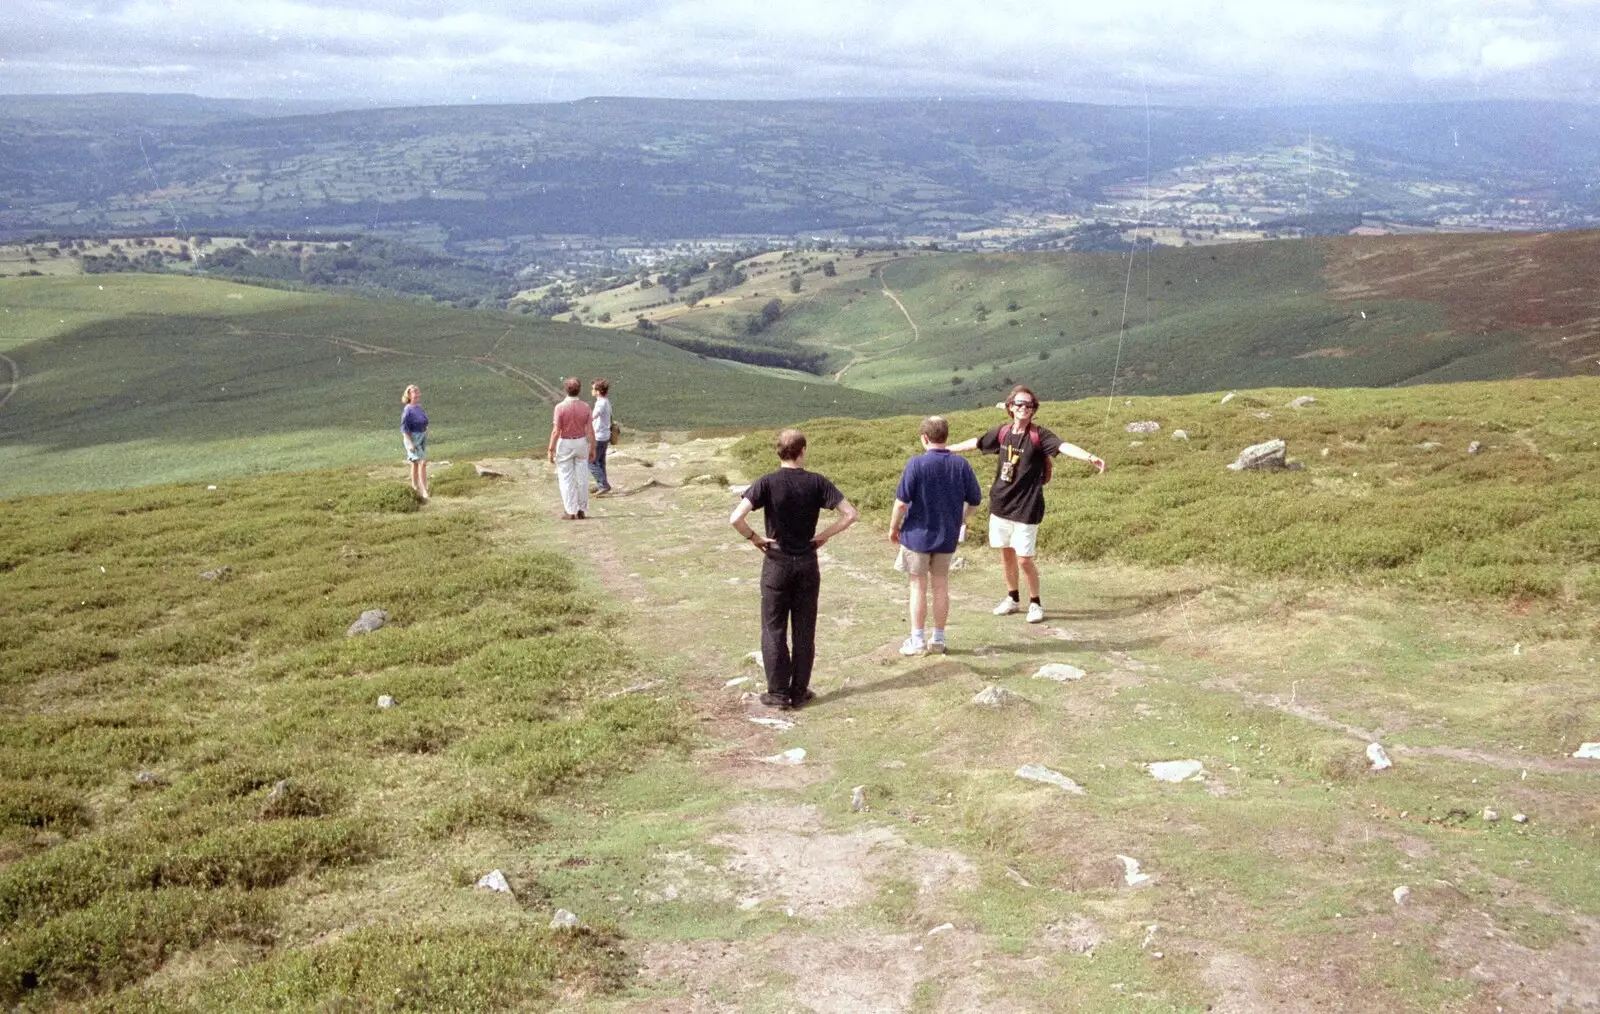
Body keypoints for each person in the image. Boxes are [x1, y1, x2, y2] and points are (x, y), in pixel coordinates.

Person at [949, 385, 1105, 624]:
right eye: (1019, 404)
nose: (1024, 408)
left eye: (1029, 405)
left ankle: (1035, 603)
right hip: (1000, 504)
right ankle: (1012, 598)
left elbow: (1063, 446)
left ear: (1034, 410)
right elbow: (977, 442)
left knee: (1024, 558)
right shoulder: (1002, 433)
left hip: (1027, 507)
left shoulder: (1039, 435)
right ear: (1010, 407)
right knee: (1006, 554)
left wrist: (1089, 457)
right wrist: (947, 449)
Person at [730, 428, 859, 709]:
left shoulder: (766, 482)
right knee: (804, 629)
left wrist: (754, 538)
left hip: (776, 563)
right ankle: (799, 691)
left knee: (773, 627)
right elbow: (850, 514)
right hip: (807, 564)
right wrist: (823, 536)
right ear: (803, 451)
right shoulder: (817, 482)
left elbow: (735, 518)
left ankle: (777, 693)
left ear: (779, 451)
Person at [889, 416, 983, 656]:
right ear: (946, 436)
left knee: (917, 587)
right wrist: (961, 518)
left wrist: (893, 528)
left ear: (924, 438)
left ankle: (917, 640)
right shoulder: (961, 464)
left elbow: (901, 503)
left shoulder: (916, 464)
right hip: (946, 537)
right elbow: (975, 500)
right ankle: (938, 639)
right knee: (941, 586)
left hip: (916, 536)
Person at [546, 377, 595, 520]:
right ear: (579, 390)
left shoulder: (560, 408)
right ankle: (581, 509)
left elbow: (556, 430)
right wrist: (593, 447)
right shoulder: (586, 407)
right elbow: (590, 430)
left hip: (565, 442)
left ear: (565, 390)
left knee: (566, 477)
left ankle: (570, 510)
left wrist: (551, 449)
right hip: (581, 441)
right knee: (582, 478)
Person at [400, 384, 430, 501]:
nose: (417, 394)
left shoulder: (418, 407)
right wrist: (411, 444)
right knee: (422, 462)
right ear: (409, 395)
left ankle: (415, 487)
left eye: (418, 392)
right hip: (412, 439)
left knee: (415, 463)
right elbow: (404, 429)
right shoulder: (407, 410)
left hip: (421, 437)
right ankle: (424, 490)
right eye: (415, 392)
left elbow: (425, 420)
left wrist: (426, 430)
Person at [589, 378, 613, 495]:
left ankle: (603, 485)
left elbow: (593, 417)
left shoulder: (600, 403)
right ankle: (602, 483)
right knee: (600, 462)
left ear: (598, 391)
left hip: (599, 436)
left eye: (593, 388)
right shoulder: (606, 401)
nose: (591, 390)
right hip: (605, 435)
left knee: (591, 462)